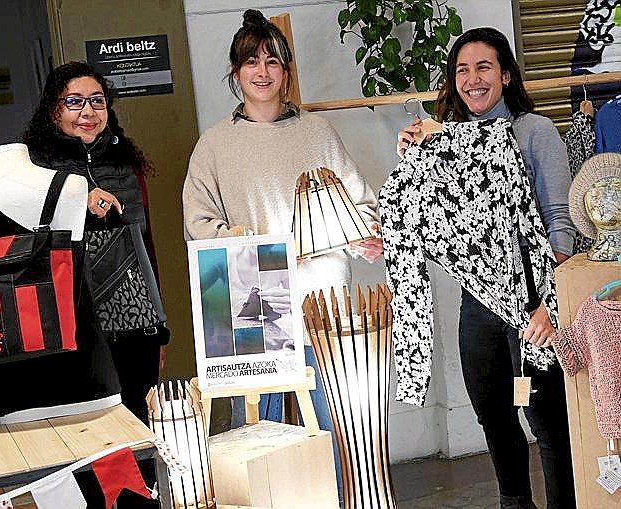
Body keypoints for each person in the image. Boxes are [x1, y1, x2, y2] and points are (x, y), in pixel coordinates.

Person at [182, 9, 383, 504]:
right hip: (253, 301)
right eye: (251, 61)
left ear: (287, 71)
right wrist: (260, 246)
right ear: (235, 73)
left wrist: (362, 233)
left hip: (323, 295)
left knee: (338, 418)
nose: (263, 71)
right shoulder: (214, 145)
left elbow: (358, 203)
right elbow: (199, 222)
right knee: (263, 423)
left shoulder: (318, 133)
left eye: (273, 60)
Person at [397, 28, 576, 509]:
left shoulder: (535, 131)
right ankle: (513, 502)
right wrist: (418, 162)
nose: (472, 79)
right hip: (479, 301)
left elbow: (561, 224)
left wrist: (551, 306)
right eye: (461, 70)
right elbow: (435, 222)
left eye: (483, 67)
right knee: (493, 414)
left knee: (548, 418)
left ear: (506, 74)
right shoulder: (443, 142)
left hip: (536, 299)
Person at [22, 61, 169, 424]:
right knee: (91, 433)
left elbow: (145, 250)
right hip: (73, 328)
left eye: (97, 101)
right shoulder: (34, 169)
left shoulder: (127, 165)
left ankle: (144, 485)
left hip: (136, 324)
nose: (87, 112)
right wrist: (76, 200)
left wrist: (160, 323)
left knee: (139, 424)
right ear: (53, 109)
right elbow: (27, 248)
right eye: (74, 102)